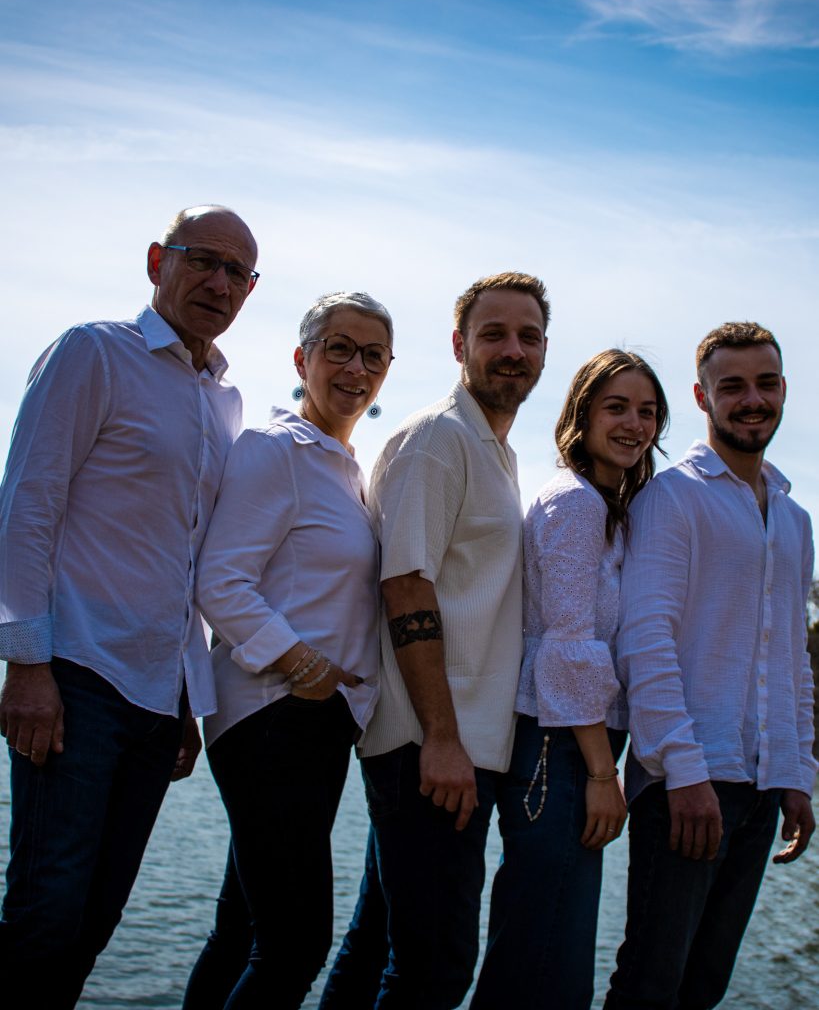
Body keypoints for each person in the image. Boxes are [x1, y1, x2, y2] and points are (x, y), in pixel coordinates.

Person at [0, 205, 259, 1008]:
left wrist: (186, 697)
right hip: (75, 675)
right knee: (46, 910)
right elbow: (26, 506)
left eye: (235, 273)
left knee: (98, 918)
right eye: (200, 260)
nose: (217, 282)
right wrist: (26, 665)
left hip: (157, 701)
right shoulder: (93, 352)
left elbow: (190, 561)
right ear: (158, 260)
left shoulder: (226, 401)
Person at [323, 272, 549, 1010]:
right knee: (435, 970)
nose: (512, 350)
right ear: (460, 346)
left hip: (443, 747)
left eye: (527, 336)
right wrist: (442, 738)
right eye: (493, 334)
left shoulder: (494, 451)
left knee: (375, 952)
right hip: (430, 749)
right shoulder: (437, 439)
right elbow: (405, 586)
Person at [181, 291, 395, 1010]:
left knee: (242, 931)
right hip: (275, 714)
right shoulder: (276, 448)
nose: (355, 367)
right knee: (297, 945)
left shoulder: (346, 468)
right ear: (302, 358)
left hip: (314, 723)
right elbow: (220, 578)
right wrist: (305, 668)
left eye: (372, 355)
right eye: (338, 347)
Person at [604, 322, 816, 1010]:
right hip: (686, 785)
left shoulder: (794, 519)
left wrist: (797, 773)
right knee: (649, 985)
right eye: (732, 387)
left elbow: (791, 660)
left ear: (783, 389)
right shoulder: (672, 497)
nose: (751, 400)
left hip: (760, 786)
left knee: (703, 988)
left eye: (764, 383)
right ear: (702, 397)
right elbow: (645, 642)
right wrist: (682, 772)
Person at [471, 349, 669, 1010]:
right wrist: (598, 774)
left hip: (574, 745)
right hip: (559, 747)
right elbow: (568, 644)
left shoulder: (611, 508)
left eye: (646, 412)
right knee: (546, 941)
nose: (634, 424)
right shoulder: (574, 504)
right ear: (581, 417)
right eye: (616, 408)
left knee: (546, 933)